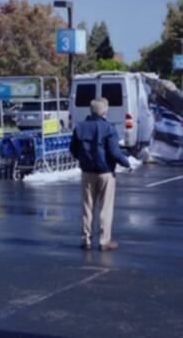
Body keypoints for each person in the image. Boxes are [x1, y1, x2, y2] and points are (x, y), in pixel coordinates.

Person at [70, 98, 131, 251]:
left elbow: (73, 149)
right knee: (105, 207)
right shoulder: (108, 128)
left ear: (90, 110)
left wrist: (83, 159)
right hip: (105, 173)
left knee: (87, 206)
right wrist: (126, 163)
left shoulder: (80, 127)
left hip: (87, 172)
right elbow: (114, 152)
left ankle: (86, 240)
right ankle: (104, 241)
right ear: (104, 111)